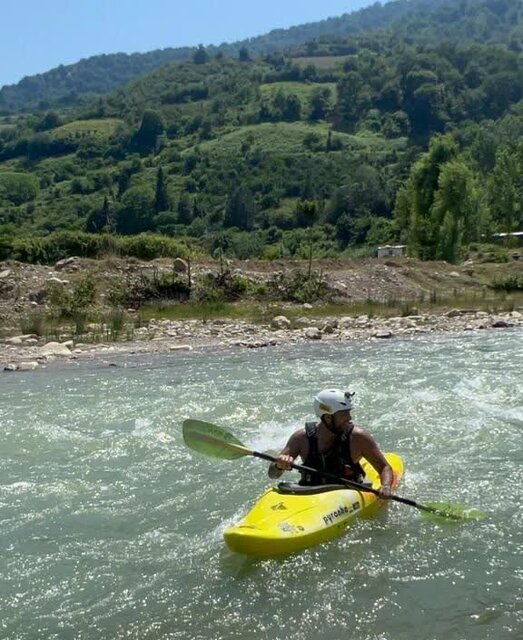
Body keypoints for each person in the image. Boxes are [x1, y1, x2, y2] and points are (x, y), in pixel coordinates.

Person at [268, 388, 393, 498]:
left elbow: (384, 468)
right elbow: (273, 474)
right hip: (310, 492)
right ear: (328, 417)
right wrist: (279, 465)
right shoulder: (301, 438)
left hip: (347, 493)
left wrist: (386, 486)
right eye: (344, 414)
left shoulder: (358, 437)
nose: (349, 418)